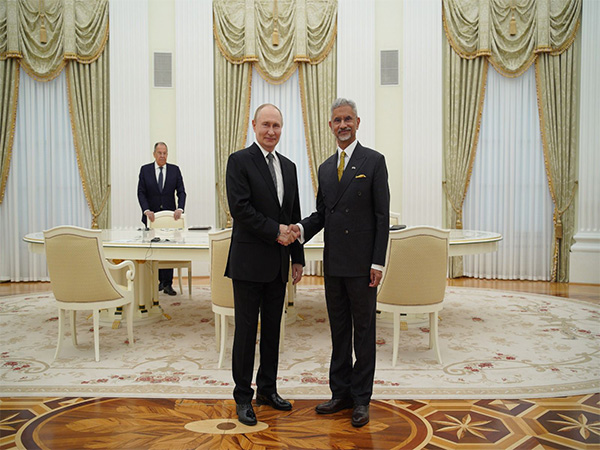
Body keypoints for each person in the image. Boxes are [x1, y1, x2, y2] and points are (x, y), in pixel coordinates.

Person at [293, 98, 390, 427]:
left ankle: (361, 399)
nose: (343, 125)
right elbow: (322, 214)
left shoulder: (374, 161)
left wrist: (378, 263)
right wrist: (300, 229)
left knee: (363, 332)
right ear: (330, 126)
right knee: (338, 331)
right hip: (333, 264)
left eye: (348, 119)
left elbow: (381, 217)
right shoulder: (324, 168)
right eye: (337, 120)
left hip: (363, 266)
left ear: (357, 122)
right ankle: (340, 394)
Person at [225, 103, 305, 426]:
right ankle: (243, 396)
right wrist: (276, 231)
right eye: (266, 125)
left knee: (273, 331)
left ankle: (267, 390)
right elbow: (240, 209)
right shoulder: (239, 161)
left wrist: (297, 257)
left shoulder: (289, 167)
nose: (271, 131)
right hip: (248, 264)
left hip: (278, 264)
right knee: (246, 333)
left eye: (277, 126)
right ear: (253, 125)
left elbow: (293, 214)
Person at [137, 142, 187, 296]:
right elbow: (141, 192)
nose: (162, 156)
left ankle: (167, 284)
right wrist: (146, 210)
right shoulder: (145, 170)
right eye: (159, 153)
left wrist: (180, 208)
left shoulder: (174, 170)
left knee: (168, 249)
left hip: (170, 218)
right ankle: (156, 282)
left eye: (165, 153)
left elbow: (181, 192)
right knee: (154, 249)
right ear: (154, 154)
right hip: (151, 217)